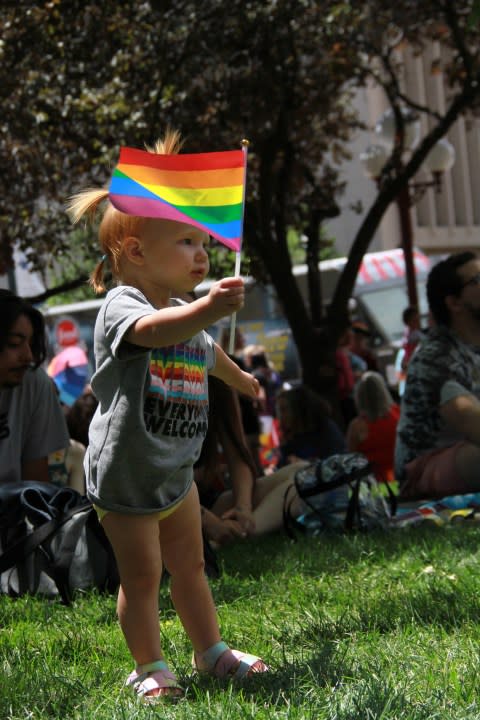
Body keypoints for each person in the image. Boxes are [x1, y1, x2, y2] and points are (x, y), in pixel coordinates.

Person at [66, 129, 267, 701]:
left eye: (202, 242)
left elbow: (207, 348)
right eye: (185, 241)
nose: (202, 254)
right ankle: (149, 666)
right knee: (144, 575)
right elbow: (155, 334)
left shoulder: (185, 311)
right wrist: (206, 307)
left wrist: (240, 378)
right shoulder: (123, 306)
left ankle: (212, 652)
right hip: (127, 473)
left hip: (174, 471)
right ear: (135, 252)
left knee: (192, 565)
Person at [395, 252, 480, 500]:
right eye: (477, 279)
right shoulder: (434, 356)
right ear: (454, 303)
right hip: (422, 469)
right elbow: (468, 418)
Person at [196, 376, 307, 544]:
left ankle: (241, 529)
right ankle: (235, 536)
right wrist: (207, 520)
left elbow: (238, 456)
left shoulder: (217, 377)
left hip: (209, 502)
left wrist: (243, 507)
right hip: (172, 508)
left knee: (304, 473)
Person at [0, 290, 70, 484]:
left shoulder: (34, 382)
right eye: (14, 344)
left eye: (30, 344)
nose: (28, 356)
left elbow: (36, 483)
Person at [273, 384, 346, 469]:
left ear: (298, 408)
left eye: (284, 409)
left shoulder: (325, 429)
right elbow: (282, 468)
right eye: (278, 411)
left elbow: (337, 461)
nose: (280, 416)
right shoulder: (290, 437)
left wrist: (306, 464)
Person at [346, 371, 400, 484]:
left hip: (376, 488)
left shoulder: (357, 426)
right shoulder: (398, 414)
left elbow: (351, 462)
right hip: (403, 481)